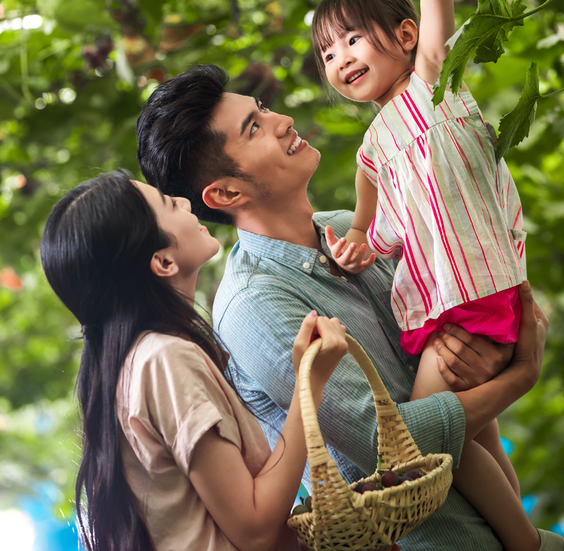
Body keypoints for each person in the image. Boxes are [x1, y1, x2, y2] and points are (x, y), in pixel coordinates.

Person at [136, 63, 551, 551]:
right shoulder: (253, 305)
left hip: (500, 526)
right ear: (227, 193)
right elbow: (389, 445)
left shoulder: (351, 228)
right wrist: (518, 377)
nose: (282, 119)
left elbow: (451, 337)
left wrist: (485, 361)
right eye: (254, 128)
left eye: (262, 109)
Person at [308, 0, 564, 551]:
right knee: (475, 434)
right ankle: (523, 537)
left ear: (403, 37)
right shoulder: (371, 149)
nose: (340, 60)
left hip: (474, 299)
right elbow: (366, 235)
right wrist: (352, 244)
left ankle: (523, 543)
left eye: (353, 41)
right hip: (431, 311)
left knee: (423, 438)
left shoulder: (431, 86)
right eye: (328, 54)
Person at [40, 169, 349, 551]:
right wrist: (309, 384)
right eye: (170, 204)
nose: (186, 202)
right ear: (163, 262)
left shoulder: (137, 362)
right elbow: (255, 530)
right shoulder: (164, 359)